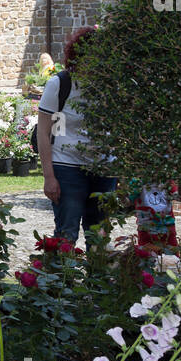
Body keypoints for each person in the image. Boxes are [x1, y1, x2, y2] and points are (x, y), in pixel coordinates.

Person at [36, 26, 118, 244]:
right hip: (66, 167)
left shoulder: (111, 86)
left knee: (99, 236)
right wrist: (49, 177)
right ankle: (63, 277)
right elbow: (43, 133)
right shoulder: (60, 84)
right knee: (66, 234)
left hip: (104, 169)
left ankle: (96, 277)